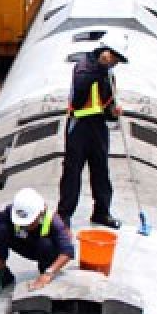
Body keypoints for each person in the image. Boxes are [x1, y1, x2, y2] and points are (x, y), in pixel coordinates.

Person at [58, 34, 128, 230]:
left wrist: (113, 112)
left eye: (117, 60)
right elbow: (80, 92)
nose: (114, 62)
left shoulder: (108, 74)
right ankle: (64, 215)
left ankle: (101, 212)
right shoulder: (83, 68)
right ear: (103, 52)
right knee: (72, 172)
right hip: (78, 125)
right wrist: (101, 70)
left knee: (101, 171)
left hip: (98, 127)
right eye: (113, 57)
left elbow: (107, 104)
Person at [0, 188, 75, 294]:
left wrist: (48, 273)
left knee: (45, 243)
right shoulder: (15, 211)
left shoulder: (54, 221)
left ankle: (44, 273)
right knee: (0, 229)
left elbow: (68, 251)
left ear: (39, 215)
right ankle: (2, 273)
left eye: (28, 223)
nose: (24, 225)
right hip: (24, 243)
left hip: (45, 252)